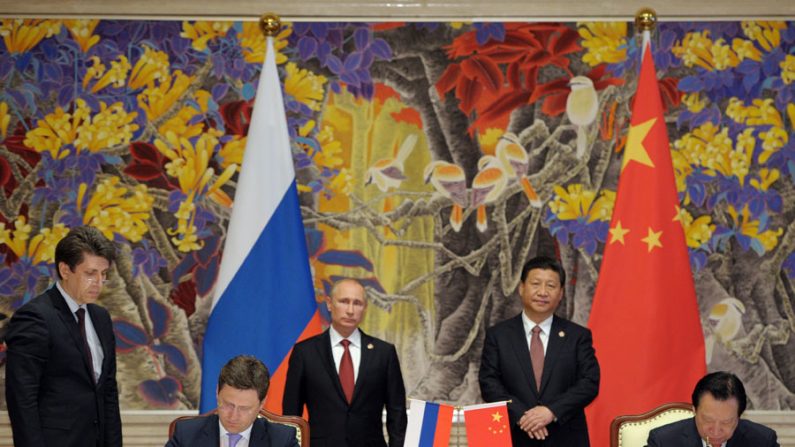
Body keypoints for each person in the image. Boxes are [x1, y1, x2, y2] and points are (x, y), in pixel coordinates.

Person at [5, 225, 122, 447]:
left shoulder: (101, 318)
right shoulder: (35, 317)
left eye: (103, 274)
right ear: (65, 270)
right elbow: (22, 400)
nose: (98, 282)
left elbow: (108, 392)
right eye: (90, 273)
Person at [479, 255, 600, 446]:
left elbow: (589, 382)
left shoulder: (577, 336)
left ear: (560, 294)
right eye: (536, 284)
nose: (542, 292)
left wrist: (551, 411)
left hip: (565, 437)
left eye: (551, 286)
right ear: (521, 288)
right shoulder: (498, 335)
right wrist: (522, 416)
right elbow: (489, 383)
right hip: (513, 436)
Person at [283, 278, 407, 446]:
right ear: (329, 304)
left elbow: (397, 413)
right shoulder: (305, 352)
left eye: (357, 303)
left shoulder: (384, 353)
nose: (350, 310)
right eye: (344, 301)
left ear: (365, 308)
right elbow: (291, 415)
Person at [166, 355, 298, 447]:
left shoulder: (281, 440)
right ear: (217, 392)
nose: (233, 416)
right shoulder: (187, 434)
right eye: (228, 405)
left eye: (244, 408)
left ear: (262, 403)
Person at [646, 371, 779, 447]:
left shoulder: (763, 441)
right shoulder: (663, 442)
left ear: (739, 417)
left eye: (726, 422)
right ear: (694, 410)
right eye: (708, 420)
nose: (716, 431)